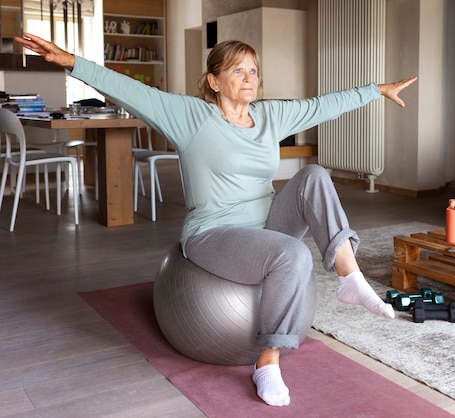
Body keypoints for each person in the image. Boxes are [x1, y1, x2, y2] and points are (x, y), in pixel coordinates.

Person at [15, 33, 417, 407]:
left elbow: (321, 105)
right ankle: (267, 362)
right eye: (238, 70)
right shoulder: (190, 117)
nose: (249, 78)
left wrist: (377, 91)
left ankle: (350, 279)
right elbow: (130, 90)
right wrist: (71, 62)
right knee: (294, 255)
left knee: (314, 175)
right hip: (214, 232)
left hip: (268, 224)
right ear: (214, 80)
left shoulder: (270, 116)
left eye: (254, 71)